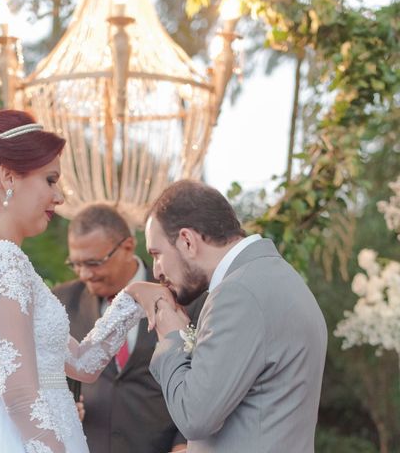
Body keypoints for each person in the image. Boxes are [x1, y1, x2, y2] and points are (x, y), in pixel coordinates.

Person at [0, 110, 145, 453]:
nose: (59, 197)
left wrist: (132, 300)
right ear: (9, 178)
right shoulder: (3, 262)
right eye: (50, 180)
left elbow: (82, 365)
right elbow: (21, 393)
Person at [126, 180, 328, 453]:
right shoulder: (277, 277)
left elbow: (194, 417)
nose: (157, 271)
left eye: (157, 254)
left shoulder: (238, 294)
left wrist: (172, 338)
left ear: (187, 240)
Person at [55, 204, 208, 453]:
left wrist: (183, 443)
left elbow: (202, 376)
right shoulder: (61, 302)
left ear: (127, 247)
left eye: (94, 263)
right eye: (76, 264)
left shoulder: (183, 296)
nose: (85, 274)